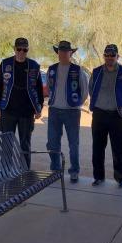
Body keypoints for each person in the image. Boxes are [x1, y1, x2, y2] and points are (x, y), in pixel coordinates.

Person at [89, 44, 122, 188]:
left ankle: (120, 178)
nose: (109, 58)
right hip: (99, 114)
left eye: (112, 55)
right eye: (107, 55)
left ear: (117, 56)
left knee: (118, 148)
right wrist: (100, 103)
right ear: (104, 56)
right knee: (97, 147)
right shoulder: (96, 72)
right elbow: (91, 89)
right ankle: (98, 177)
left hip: (118, 116)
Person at [0, 37, 44, 167]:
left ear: (27, 50)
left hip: (27, 112)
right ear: (14, 49)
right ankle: (5, 171)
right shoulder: (5, 64)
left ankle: (25, 171)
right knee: (6, 143)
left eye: (25, 49)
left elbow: (39, 89)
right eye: (19, 49)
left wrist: (39, 108)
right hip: (8, 110)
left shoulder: (34, 66)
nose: (22, 52)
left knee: (25, 144)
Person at [46, 41, 89, 183]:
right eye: (61, 51)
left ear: (71, 53)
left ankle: (74, 171)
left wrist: (77, 104)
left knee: (73, 143)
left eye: (66, 51)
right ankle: (56, 169)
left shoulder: (78, 70)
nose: (63, 53)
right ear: (57, 53)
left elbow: (84, 90)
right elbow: (49, 88)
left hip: (72, 112)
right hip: (54, 111)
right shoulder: (51, 69)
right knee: (52, 142)